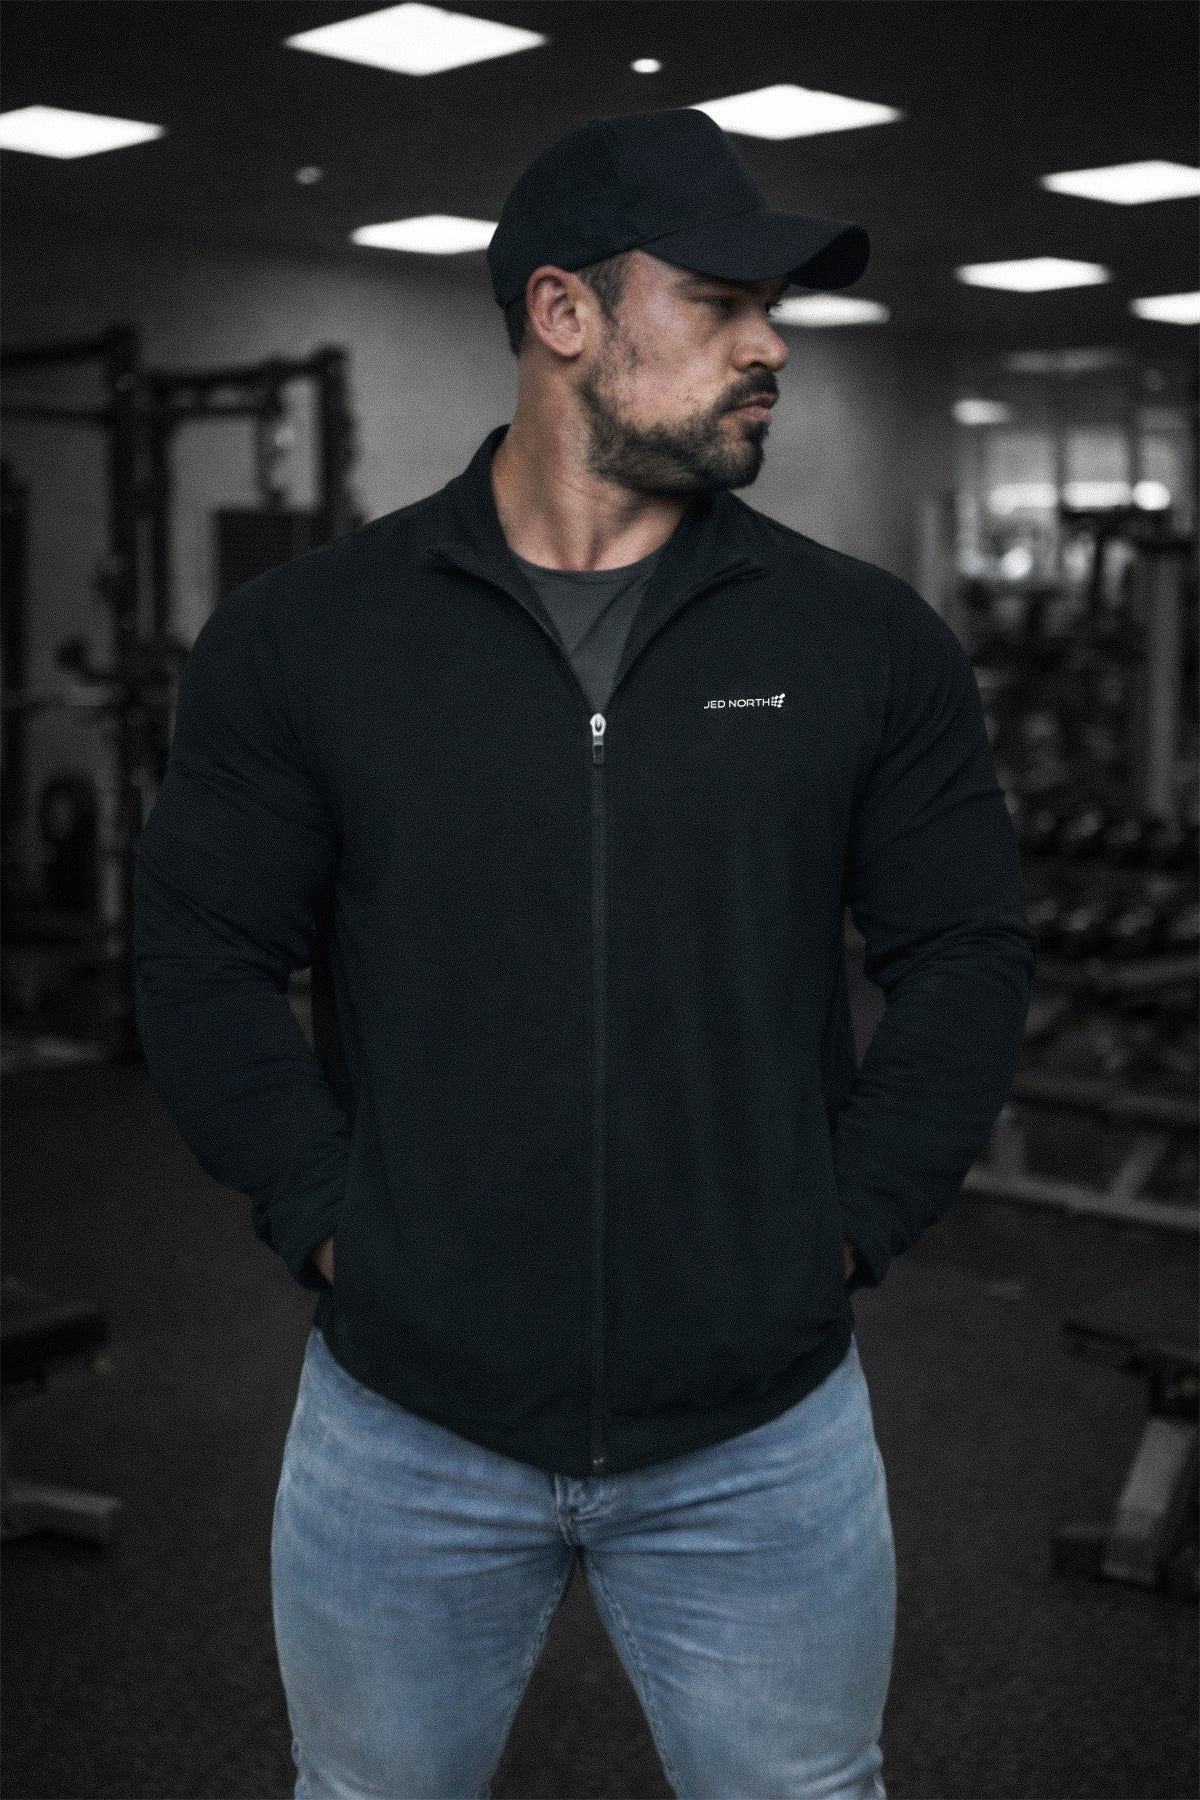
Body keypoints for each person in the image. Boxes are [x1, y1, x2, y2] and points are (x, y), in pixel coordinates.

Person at [133, 107, 1036, 1800]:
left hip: (760, 1433)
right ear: (564, 313)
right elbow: (198, 961)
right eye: (721, 302)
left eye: (775, 309)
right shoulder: (305, 641)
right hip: (406, 1423)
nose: (771, 345)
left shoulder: (863, 642)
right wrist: (333, 1222)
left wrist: (843, 1224)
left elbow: (969, 954)